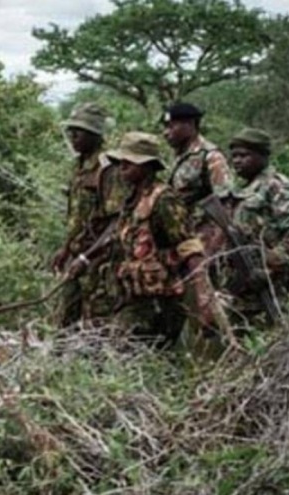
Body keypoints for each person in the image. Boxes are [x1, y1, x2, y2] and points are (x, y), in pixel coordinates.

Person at [88, 132, 220, 346]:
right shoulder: (132, 199)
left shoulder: (164, 200)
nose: (122, 166)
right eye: (121, 161)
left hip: (160, 302)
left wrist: (204, 300)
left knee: (132, 355)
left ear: (147, 165)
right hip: (134, 297)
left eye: (129, 161)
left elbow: (190, 249)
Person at [227, 128, 289, 328]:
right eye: (234, 156)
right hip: (248, 285)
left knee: (279, 336)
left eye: (244, 155)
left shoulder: (276, 186)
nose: (237, 161)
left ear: (262, 156)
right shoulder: (245, 188)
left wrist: (270, 264)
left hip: (275, 285)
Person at [52, 102, 129, 327]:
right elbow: (77, 217)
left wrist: (87, 258)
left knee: (96, 326)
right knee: (64, 322)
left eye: (80, 131)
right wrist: (66, 249)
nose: (73, 135)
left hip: (100, 261)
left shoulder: (109, 169)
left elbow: (117, 220)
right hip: (79, 257)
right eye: (71, 130)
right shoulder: (79, 166)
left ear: (96, 135)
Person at [161, 102, 235, 255]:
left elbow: (226, 204)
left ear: (190, 125)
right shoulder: (178, 156)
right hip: (183, 234)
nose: (165, 133)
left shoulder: (211, 156)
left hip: (203, 239)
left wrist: (215, 246)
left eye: (171, 126)